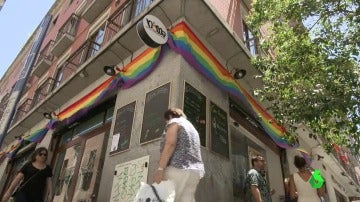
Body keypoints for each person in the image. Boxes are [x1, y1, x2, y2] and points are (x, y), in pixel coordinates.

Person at [153, 108, 205, 202]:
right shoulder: (193, 129)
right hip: (194, 173)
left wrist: (160, 169)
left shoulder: (174, 122)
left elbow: (170, 144)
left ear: (169, 116)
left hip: (177, 168)